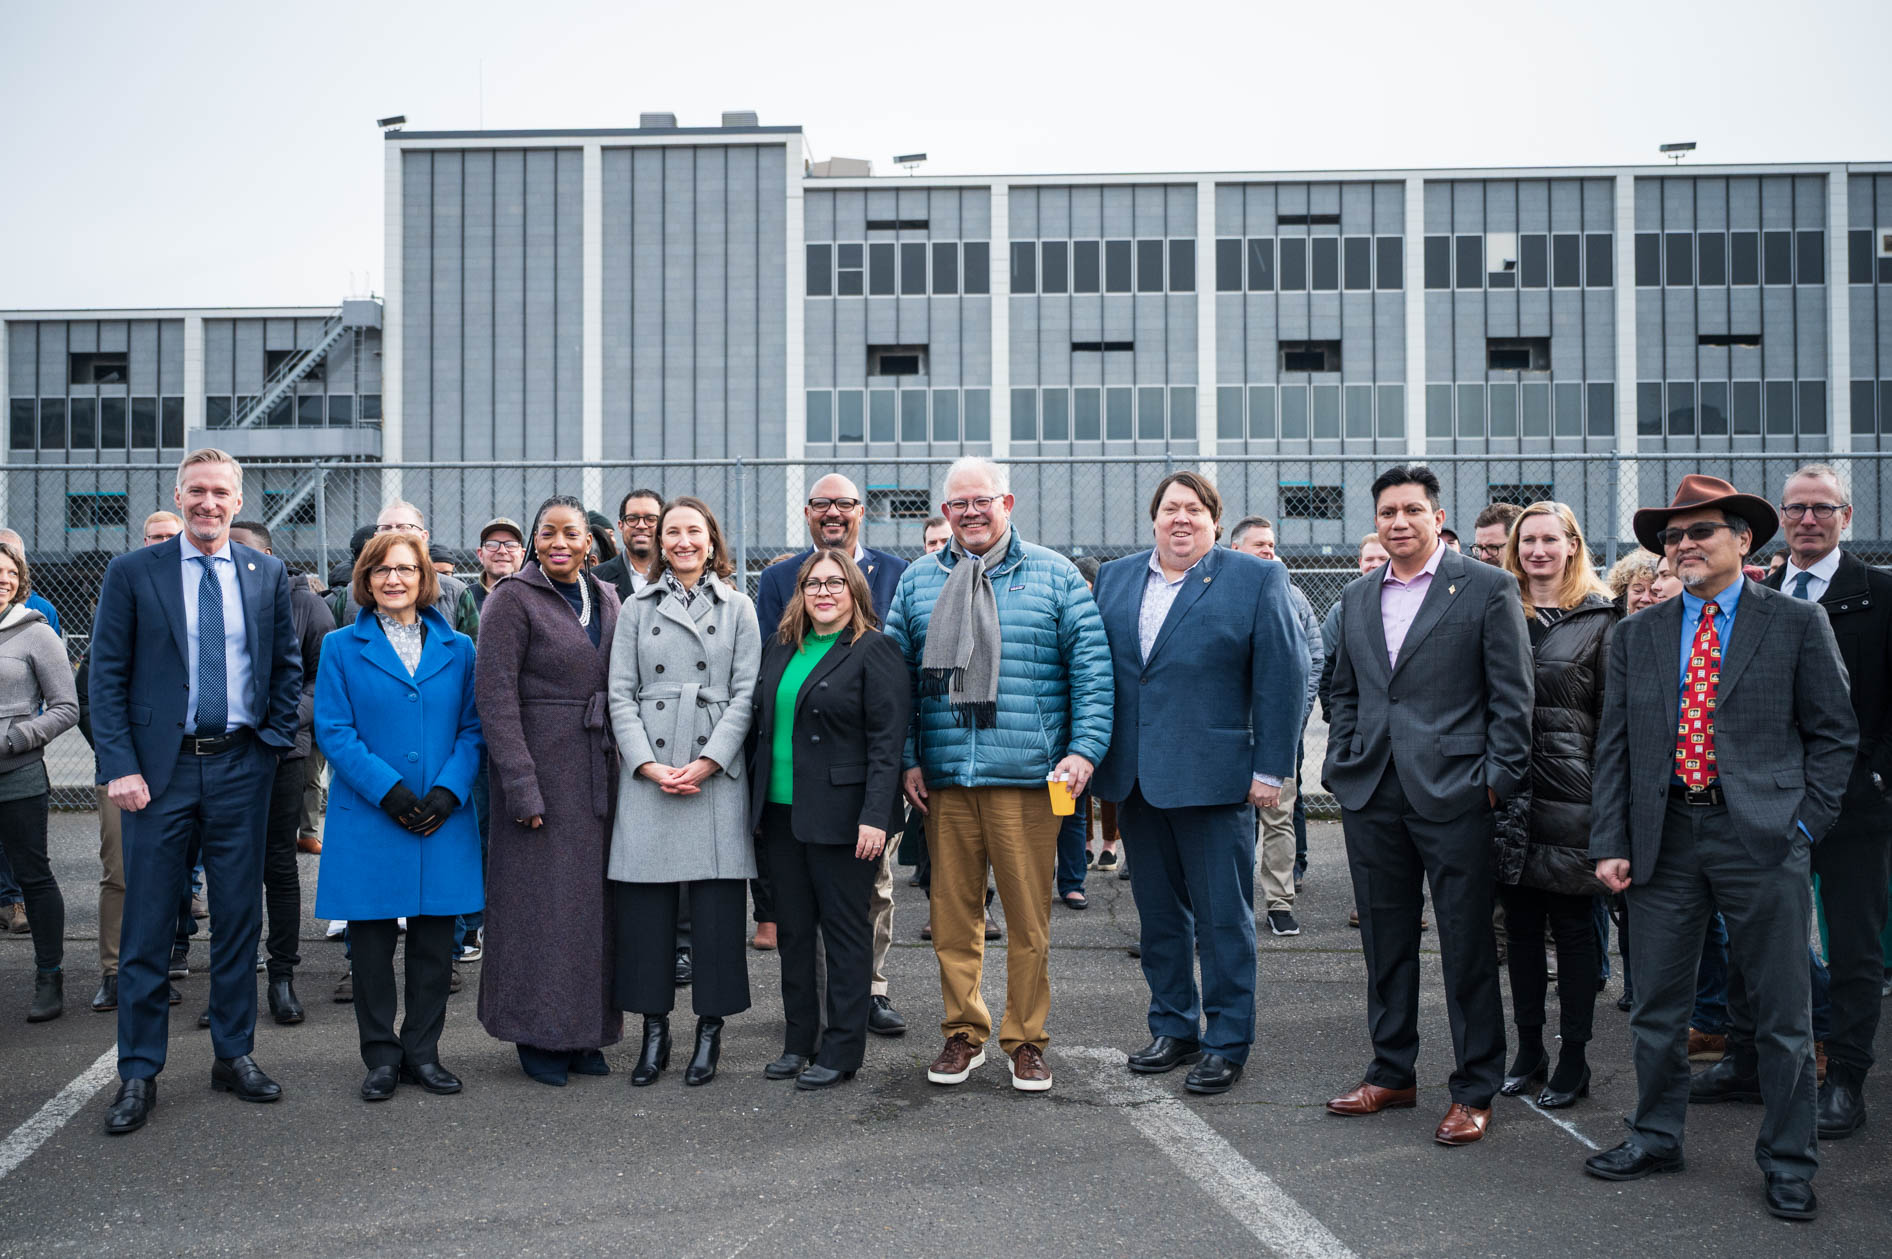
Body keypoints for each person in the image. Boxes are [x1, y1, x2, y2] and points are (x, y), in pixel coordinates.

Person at [1583, 475, 1854, 1223]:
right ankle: (1656, 1134)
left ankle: (1790, 1161)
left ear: (1744, 540)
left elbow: (1835, 735)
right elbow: (1615, 748)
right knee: (1658, 1010)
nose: (1684, 545)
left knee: (1782, 1014)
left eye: (1700, 531)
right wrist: (1610, 840)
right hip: (1663, 838)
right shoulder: (1638, 633)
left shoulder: (1796, 624)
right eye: (1673, 536)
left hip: (1760, 838)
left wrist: (1802, 826)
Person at [88, 448, 302, 1135]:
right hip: (159, 772)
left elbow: (285, 670)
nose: (209, 503)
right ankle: (139, 1070)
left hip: (242, 765)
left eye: (221, 492)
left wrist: (269, 746)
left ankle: (233, 1052)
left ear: (238, 501)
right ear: (179, 496)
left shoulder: (266, 574)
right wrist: (119, 764)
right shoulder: (132, 572)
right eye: (197, 491)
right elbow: (107, 676)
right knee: (150, 921)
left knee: (240, 918)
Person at [884, 457, 1111, 1094]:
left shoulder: (1055, 575)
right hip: (948, 779)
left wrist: (1084, 750)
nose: (972, 513)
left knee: (1028, 922)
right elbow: (897, 683)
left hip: (1029, 778)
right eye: (959, 504)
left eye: (983, 500)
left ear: (1006, 503)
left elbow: (1091, 672)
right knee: (954, 919)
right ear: (945, 512)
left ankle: (1027, 1040)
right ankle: (964, 1031)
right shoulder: (918, 583)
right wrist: (908, 758)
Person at [1322, 464, 1531, 1147]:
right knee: (1385, 940)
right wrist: (1344, 756)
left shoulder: (1487, 587)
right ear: (1377, 520)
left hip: (1457, 793)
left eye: (1412, 509)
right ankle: (1392, 1070)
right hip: (1372, 790)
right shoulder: (1357, 595)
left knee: (1467, 943)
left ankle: (1475, 1086)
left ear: (1437, 518)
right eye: (1388, 511)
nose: (1399, 522)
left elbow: (1512, 697)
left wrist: (1495, 782)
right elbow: (1344, 687)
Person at [1093, 474, 1304, 1094]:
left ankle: (1227, 1039)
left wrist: (1271, 769)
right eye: (1169, 509)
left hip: (1216, 781)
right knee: (1159, 917)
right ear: (1152, 518)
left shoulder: (1255, 578)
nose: (1180, 519)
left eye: (1193, 509)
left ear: (1214, 520)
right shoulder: (1117, 578)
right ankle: (1174, 1025)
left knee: (1222, 919)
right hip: (1136, 780)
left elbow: (1282, 677)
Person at [1736, 464, 1892, 1140]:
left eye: (1821, 508)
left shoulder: (1879, 594)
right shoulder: (1757, 593)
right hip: (1770, 804)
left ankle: (1847, 1077)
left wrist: (1880, 779)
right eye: (1795, 508)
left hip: (1856, 806)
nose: (1806, 519)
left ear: (1846, 517)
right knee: (1758, 938)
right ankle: (1749, 1062)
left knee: (1853, 947)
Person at [314, 531, 483, 1101]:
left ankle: (423, 1052)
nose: (394, 579)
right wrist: (388, 791)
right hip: (370, 817)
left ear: (423, 577)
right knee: (371, 948)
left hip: (442, 816)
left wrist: (447, 792)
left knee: (437, 946)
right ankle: (381, 1057)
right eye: (382, 569)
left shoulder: (459, 647)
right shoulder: (339, 645)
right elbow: (333, 731)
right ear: (365, 578)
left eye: (406, 569)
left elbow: (473, 728)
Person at [609, 496, 761, 1088]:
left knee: (718, 909)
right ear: (658, 540)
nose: (682, 541)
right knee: (646, 910)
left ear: (710, 538)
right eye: (673, 531)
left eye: (693, 531)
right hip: (649, 768)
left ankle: (709, 1031)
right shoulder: (632, 608)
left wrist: (708, 761)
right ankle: (654, 1033)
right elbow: (620, 693)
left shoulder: (740, 607)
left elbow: (747, 694)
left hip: (713, 772)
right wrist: (646, 764)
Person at [475, 495, 624, 1086]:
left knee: (592, 912)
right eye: (548, 532)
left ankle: (586, 1030)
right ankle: (537, 1033)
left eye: (572, 532)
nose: (559, 542)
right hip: (539, 771)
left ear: (590, 541)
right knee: (537, 910)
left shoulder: (609, 597)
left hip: (598, 771)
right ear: (534, 541)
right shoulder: (512, 599)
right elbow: (495, 698)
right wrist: (520, 784)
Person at [746, 550, 909, 1089]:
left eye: (835, 583)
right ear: (801, 591)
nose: (823, 592)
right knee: (794, 932)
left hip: (845, 820)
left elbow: (888, 746)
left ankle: (841, 1050)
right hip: (781, 812)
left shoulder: (874, 650)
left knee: (843, 934)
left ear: (854, 591)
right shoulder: (781, 648)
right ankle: (799, 1042)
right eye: (814, 584)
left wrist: (875, 818)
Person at [1490, 502, 1616, 1109]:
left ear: (1572, 544)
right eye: (1527, 540)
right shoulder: (1498, 608)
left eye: (1550, 539)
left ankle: (1575, 1058)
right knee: (1517, 930)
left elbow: (1613, 721)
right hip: (1509, 796)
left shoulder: (1601, 617)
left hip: (1574, 797)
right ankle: (1529, 1049)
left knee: (1571, 932)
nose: (1537, 550)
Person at [222, 520, 333, 1027]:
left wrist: (278, 723)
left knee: (278, 866)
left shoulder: (302, 602)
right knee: (228, 871)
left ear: (268, 556)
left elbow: (321, 677)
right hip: (219, 756)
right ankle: (232, 981)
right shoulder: (210, 594)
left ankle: (282, 975)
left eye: (245, 548)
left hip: (282, 752)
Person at [80, 516, 185, 1012]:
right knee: (121, 874)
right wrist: (118, 755)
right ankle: (115, 972)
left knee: (176, 877)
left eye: (172, 536)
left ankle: (161, 966)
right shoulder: (124, 585)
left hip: (187, 765)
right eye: (156, 537)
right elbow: (95, 688)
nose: (164, 544)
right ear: (145, 543)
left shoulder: (200, 595)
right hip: (125, 767)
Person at [1229, 515, 1323, 930]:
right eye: (1259, 546)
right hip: (1228, 736)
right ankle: (1232, 902)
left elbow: (1310, 663)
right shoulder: (1214, 594)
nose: (1270, 552)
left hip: (1276, 735)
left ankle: (1280, 904)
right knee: (1230, 822)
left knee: (1279, 817)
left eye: (1272, 545)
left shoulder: (1292, 597)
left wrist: (1292, 721)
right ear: (1235, 551)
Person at [0, 539, 80, 1021]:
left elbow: (66, 707)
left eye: (9, 573)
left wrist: (14, 739)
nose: (3, 579)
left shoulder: (35, 633)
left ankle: (49, 975)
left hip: (17, 773)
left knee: (33, 875)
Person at [1318, 532, 1392, 931]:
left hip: (1413, 746)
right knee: (1371, 842)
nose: (1373, 563)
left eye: (1380, 556)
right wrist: (1340, 731)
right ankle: (1368, 904)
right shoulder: (1348, 604)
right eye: (1367, 558)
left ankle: (1406, 908)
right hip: (1365, 744)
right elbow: (1333, 671)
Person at [330, 500, 479, 640]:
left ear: (423, 536)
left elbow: (473, 658)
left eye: (404, 527)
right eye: (386, 528)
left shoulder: (457, 593)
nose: (394, 533)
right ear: (375, 537)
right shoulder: (349, 595)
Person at [592, 488, 663, 604]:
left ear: (662, 525)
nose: (641, 526)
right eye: (632, 519)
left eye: (650, 519)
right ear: (621, 526)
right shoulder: (595, 578)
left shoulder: (678, 575)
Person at [470, 517, 525, 610]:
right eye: (492, 544)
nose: (502, 551)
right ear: (480, 554)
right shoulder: (464, 599)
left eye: (510, 545)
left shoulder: (537, 598)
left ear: (522, 555)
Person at [1606, 550, 1662, 615]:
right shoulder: (1609, 622)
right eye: (1638, 590)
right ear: (1622, 592)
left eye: (1655, 592)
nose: (1645, 599)